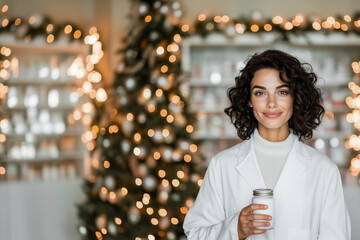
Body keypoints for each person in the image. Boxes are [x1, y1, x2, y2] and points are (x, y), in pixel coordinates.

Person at [183, 49, 351, 240]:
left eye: (282, 92)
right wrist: (234, 229)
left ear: (295, 98)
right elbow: (195, 234)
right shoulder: (222, 165)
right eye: (260, 93)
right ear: (249, 100)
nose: (271, 103)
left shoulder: (323, 170)